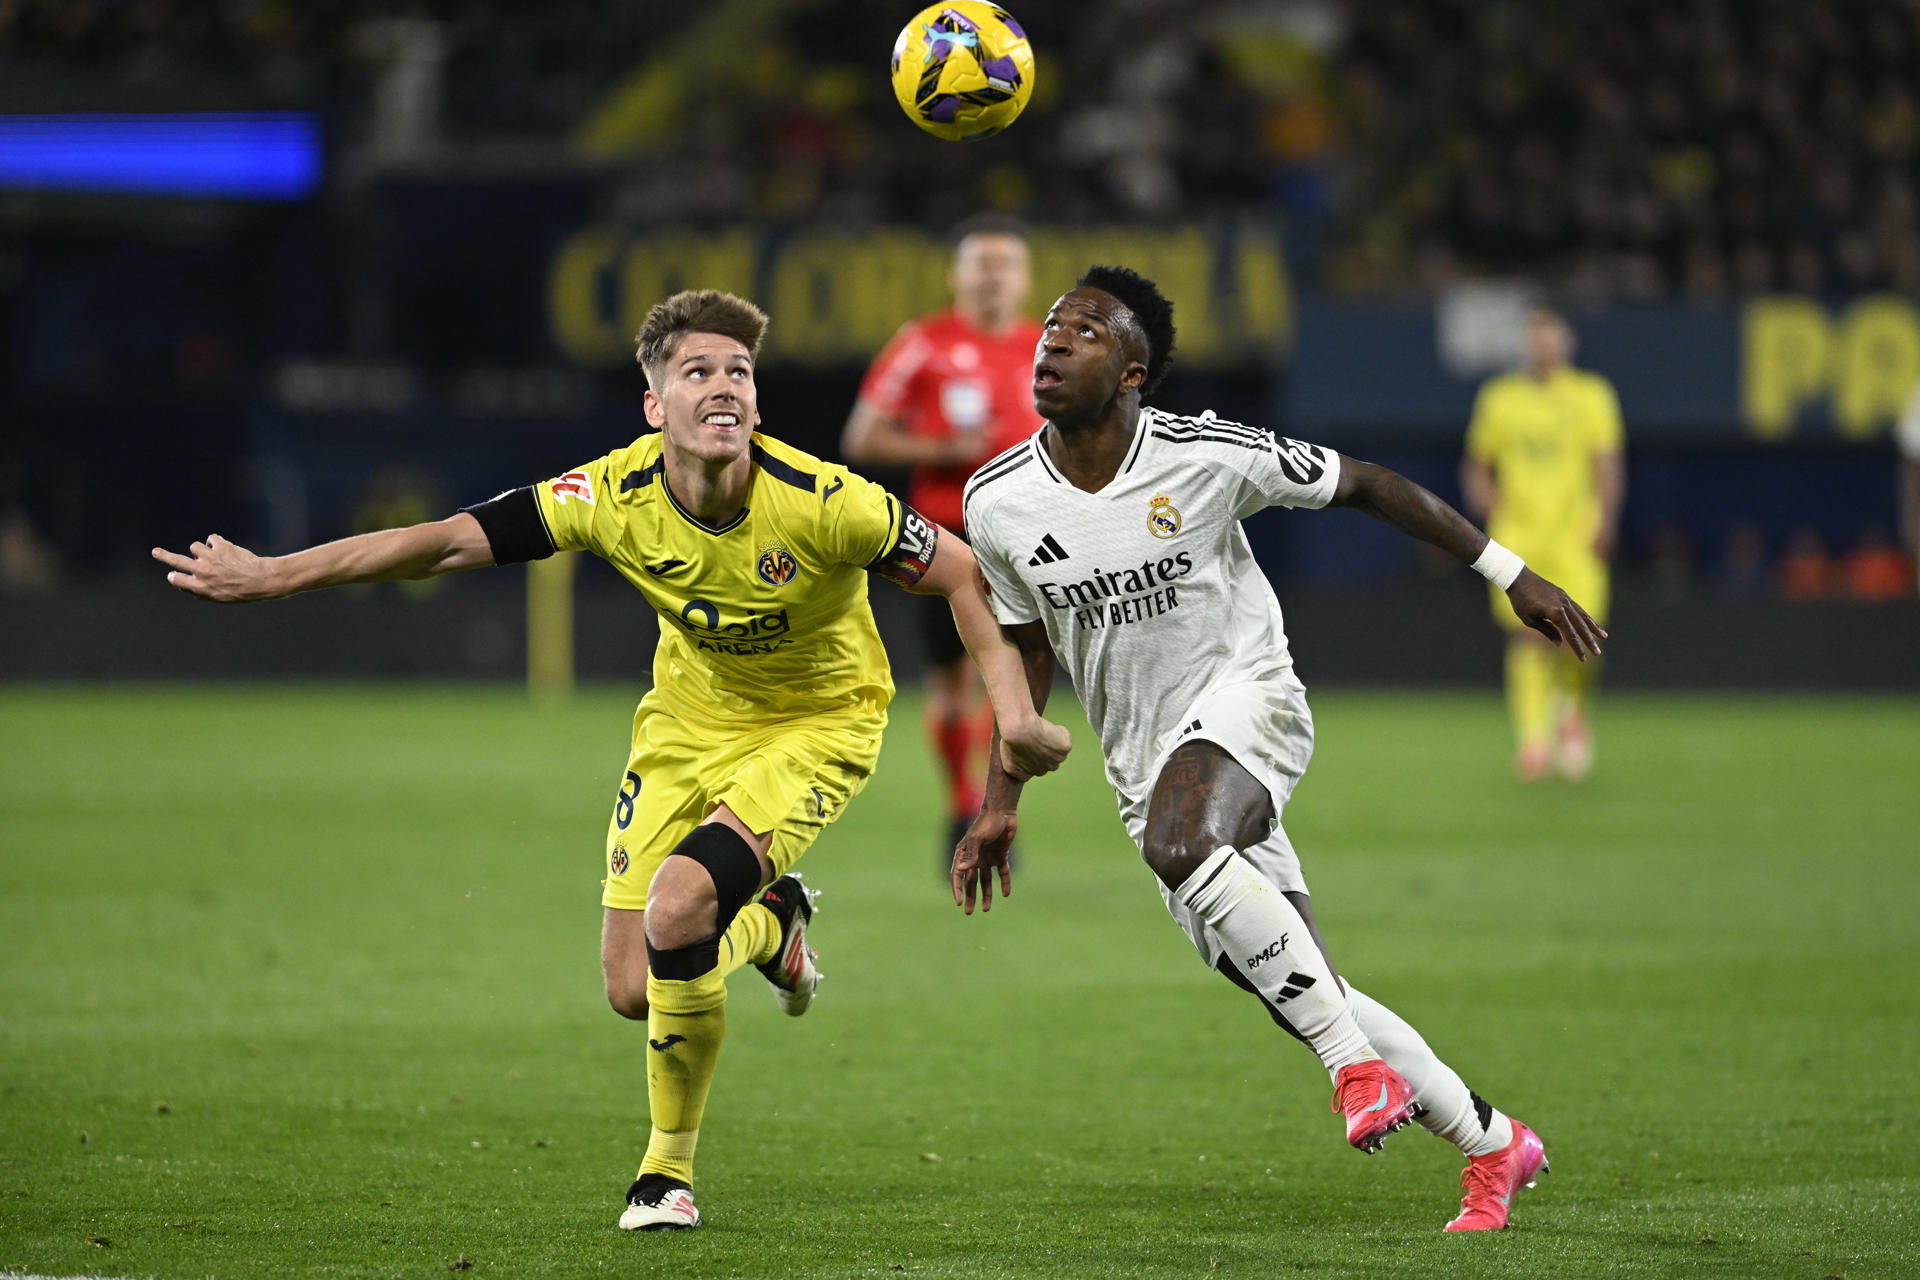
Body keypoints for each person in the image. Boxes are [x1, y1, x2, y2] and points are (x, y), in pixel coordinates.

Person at [152, 289, 1072, 1233]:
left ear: (757, 404)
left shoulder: (826, 500)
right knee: (636, 987)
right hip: (685, 719)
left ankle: (662, 1175)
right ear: (653, 405)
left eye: (740, 374)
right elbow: (441, 542)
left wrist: (1011, 714)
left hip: (817, 722)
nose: (723, 388)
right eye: (698, 372)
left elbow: (959, 569)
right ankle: (773, 925)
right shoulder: (608, 495)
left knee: (679, 904)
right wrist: (276, 574)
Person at [954, 267, 1606, 1232]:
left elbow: (1370, 485)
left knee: (1185, 847)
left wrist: (1509, 573)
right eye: (1051, 328)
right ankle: (1495, 1144)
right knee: (1301, 984)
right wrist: (1000, 801)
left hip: (1248, 703)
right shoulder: (998, 499)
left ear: (1133, 370)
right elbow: (1032, 649)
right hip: (1141, 765)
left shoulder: (1207, 453)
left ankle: (1354, 1072)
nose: (1052, 343)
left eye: (1083, 331)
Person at [842, 215, 1045, 860]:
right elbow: (862, 437)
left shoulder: (1047, 346)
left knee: (1009, 678)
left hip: (1025, 534)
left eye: (1004, 264)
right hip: (945, 534)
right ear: (956, 275)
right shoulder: (923, 343)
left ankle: (991, 806)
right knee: (956, 680)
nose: (992, 276)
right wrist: (940, 446)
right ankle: (962, 804)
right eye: (980, 264)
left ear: (1023, 278)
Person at [1460, 305, 1624, 781]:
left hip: (1576, 533)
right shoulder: (1500, 397)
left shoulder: (1592, 394)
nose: (1543, 347)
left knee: (1581, 632)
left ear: (1566, 343)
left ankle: (1571, 710)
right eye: (1535, 338)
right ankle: (1533, 740)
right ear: (1525, 345)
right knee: (1526, 635)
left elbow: (1607, 462)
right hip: (1520, 537)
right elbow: (1477, 462)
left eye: (1551, 337)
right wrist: (1487, 505)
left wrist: (1607, 518)